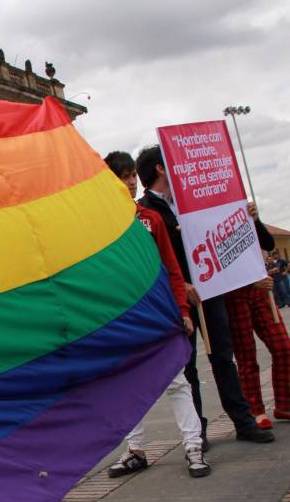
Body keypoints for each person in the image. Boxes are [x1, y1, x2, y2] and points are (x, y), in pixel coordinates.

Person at [135, 144, 273, 446]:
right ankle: (199, 432)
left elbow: (251, 239)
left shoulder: (191, 203)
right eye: (171, 163)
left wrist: (248, 216)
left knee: (224, 357)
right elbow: (147, 261)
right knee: (189, 366)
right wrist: (181, 285)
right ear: (160, 168)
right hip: (178, 301)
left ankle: (243, 421)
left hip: (209, 293)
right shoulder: (143, 211)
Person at [103, 151, 210, 478]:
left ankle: (194, 446)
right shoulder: (97, 226)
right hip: (121, 320)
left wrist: (181, 310)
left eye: (133, 174)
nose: (132, 181)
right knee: (126, 386)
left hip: (158, 315)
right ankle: (135, 450)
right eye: (124, 176)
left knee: (177, 381)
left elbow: (173, 270)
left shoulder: (151, 218)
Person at [224, 209, 290, 428]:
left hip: (262, 291)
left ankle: (283, 404)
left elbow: (269, 244)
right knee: (246, 356)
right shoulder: (207, 218)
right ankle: (256, 410)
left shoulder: (242, 211)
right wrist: (251, 281)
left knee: (283, 347)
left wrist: (256, 219)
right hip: (234, 294)